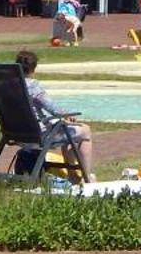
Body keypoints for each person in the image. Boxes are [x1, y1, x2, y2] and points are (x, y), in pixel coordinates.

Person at [18, 49, 97, 178]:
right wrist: (68, 114)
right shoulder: (33, 87)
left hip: (15, 132)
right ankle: (86, 176)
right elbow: (53, 109)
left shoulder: (7, 85)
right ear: (33, 68)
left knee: (65, 129)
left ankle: (73, 175)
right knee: (85, 131)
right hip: (39, 135)